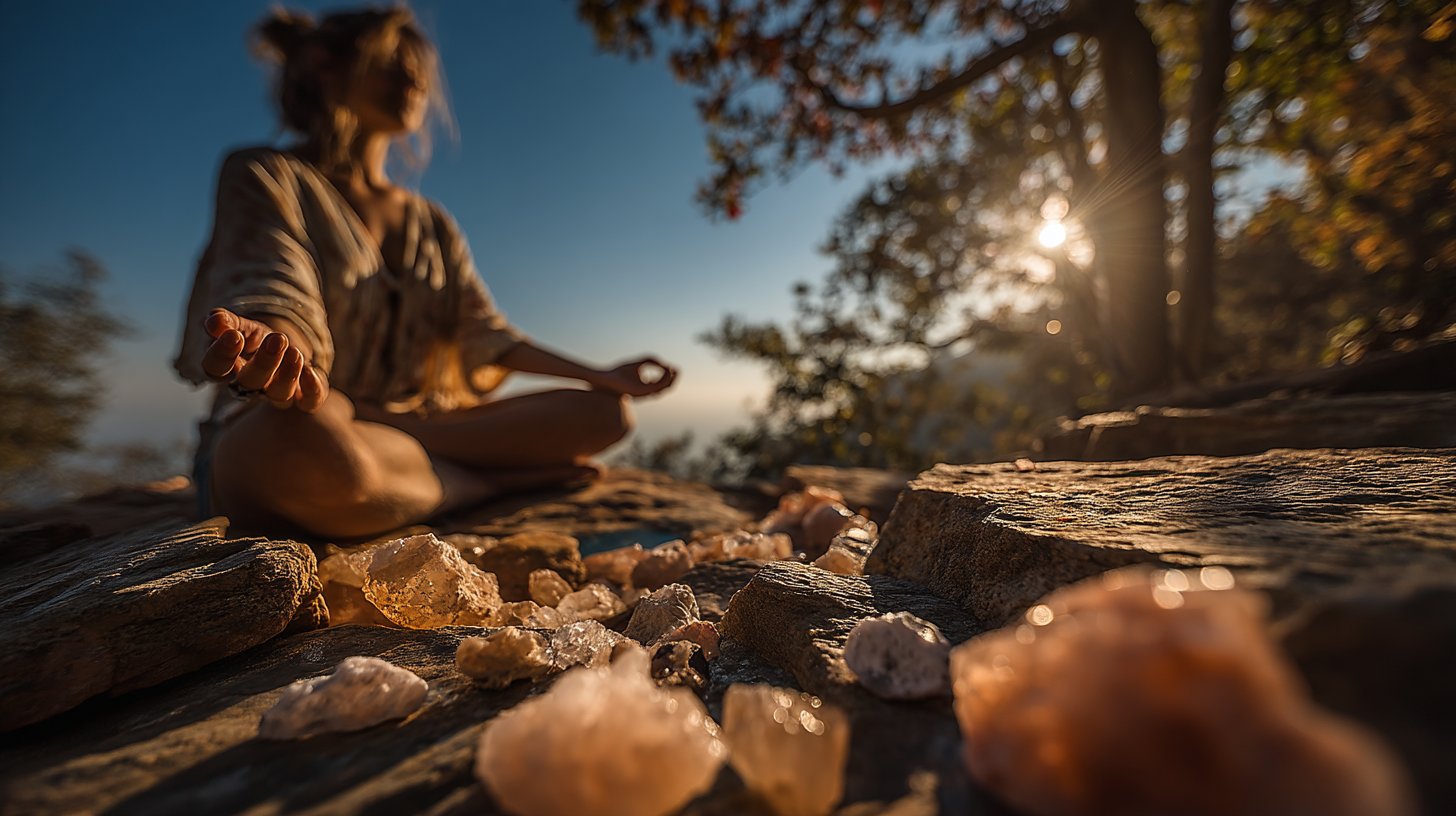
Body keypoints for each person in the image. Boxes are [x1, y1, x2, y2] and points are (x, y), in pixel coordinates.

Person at [174, 7, 677, 540]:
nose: (413, 80)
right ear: (326, 68)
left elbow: (486, 333)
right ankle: (484, 486)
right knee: (300, 452)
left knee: (606, 415)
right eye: (390, 63)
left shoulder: (431, 222)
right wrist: (275, 342)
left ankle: (418, 466)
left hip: (413, 432)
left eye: (417, 68)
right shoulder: (266, 173)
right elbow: (275, 282)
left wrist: (600, 376)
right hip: (308, 427)